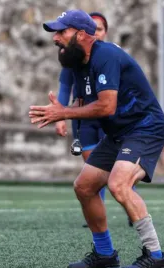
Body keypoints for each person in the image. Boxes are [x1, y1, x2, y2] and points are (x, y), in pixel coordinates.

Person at [30, 9, 164, 268]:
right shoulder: (78, 63)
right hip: (118, 133)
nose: (55, 38)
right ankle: (105, 254)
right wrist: (65, 115)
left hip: (145, 128)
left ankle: (156, 255)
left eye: (62, 32)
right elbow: (85, 104)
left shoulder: (106, 56)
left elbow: (106, 106)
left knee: (118, 184)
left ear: (81, 35)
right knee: (84, 187)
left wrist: (63, 112)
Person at [54, 12, 135, 228]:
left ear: (104, 32)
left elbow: (113, 101)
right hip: (86, 118)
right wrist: (59, 115)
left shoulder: (110, 55)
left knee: (120, 170)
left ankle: (131, 208)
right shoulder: (73, 59)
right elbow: (65, 87)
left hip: (111, 119)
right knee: (93, 171)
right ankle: (97, 214)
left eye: (99, 29)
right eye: (94, 28)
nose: (96, 32)